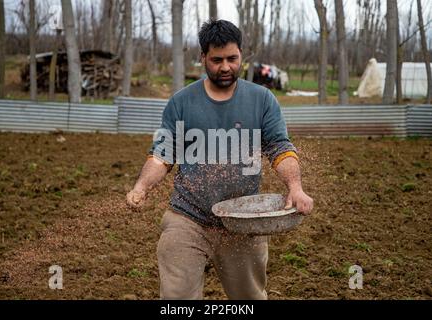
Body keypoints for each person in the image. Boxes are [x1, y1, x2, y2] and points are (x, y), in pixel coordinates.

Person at [126, 19, 314, 300]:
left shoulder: (262, 99)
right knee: (177, 299)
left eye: (232, 58)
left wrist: (295, 187)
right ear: (202, 57)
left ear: (242, 55)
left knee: (249, 299)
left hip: (243, 222)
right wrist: (141, 187)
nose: (225, 67)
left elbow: (279, 147)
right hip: (187, 218)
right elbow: (162, 155)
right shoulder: (181, 102)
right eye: (216, 60)